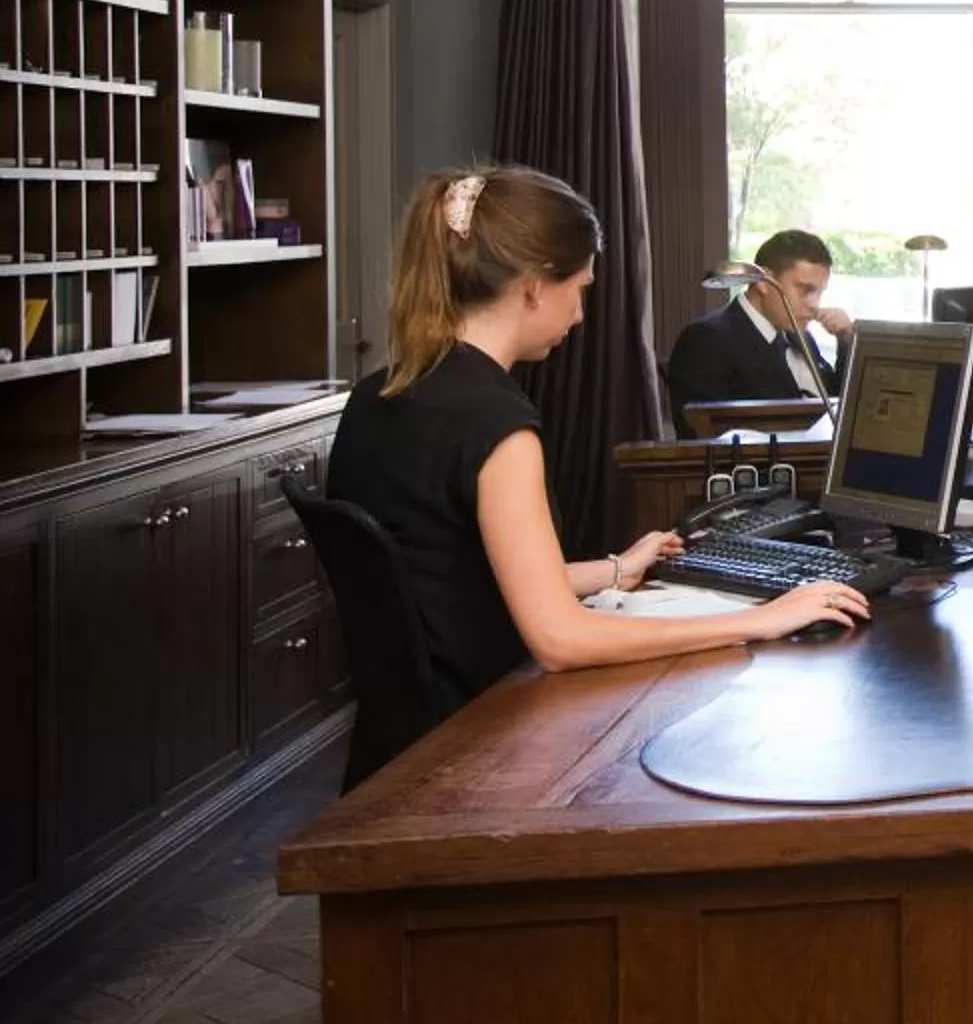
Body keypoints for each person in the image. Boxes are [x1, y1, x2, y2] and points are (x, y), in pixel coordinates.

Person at [324, 167, 867, 705]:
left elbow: (450, 574)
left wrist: (615, 569)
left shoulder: (379, 393)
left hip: (401, 730)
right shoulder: (495, 424)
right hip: (479, 728)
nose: (581, 314)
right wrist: (760, 618)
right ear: (535, 285)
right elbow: (561, 640)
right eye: (580, 287)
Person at [664, 228, 855, 426]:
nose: (814, 304)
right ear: (764, 282)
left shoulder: (799, 337)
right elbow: (707, 434)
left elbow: (837, 405)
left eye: (819, 292)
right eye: (805, 290)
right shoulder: (705, 340)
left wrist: (846, 341)